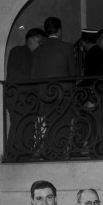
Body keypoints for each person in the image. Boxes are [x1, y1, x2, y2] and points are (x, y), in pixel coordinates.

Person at [31, 17, 79, 158]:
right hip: (63, 94)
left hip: (46, 95)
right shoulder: (67, 48)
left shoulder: (38, 51)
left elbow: (33, 76)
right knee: (63, 126)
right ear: (59, 30)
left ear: (46, 31)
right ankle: (58, 155)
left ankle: (51, 154)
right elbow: (73, 74)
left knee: (50, 125)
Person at [5, 28, 46, 158]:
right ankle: (14, 155)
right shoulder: (18, 51)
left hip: (27, 97)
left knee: (27, 126)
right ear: (31, 39)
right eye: (39, 42)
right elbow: (13, 73)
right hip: (19, 96)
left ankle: (23, 154)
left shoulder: (33, 55)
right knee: (19, 125)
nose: (40, 45)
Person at [82, 28, 103, 156]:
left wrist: (93, 98)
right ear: (97, 40)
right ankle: (98, 152)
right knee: (100, 128)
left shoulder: (95, 54)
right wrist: (94, 98)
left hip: (98, 98)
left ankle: (97, 152)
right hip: (100, 98)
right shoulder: (97, 55)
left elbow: (96, 80)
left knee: (98, 129)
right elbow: (96, 80)